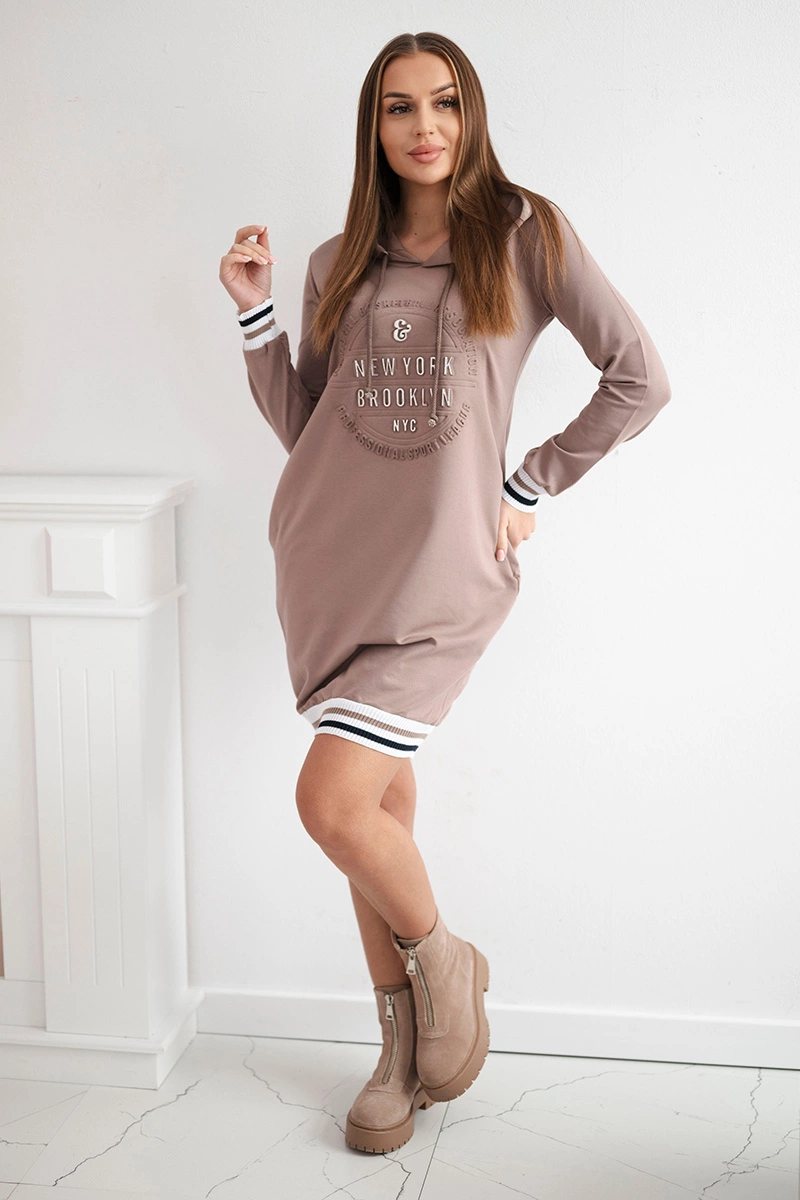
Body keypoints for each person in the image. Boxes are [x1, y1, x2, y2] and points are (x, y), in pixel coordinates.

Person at [218, 30, 671, 1156]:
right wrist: (255, 316)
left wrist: (531, 480)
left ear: (470, 116)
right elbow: (311, 428)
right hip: (330, 567)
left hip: (444, 579)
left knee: (329, 805)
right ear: (372, 127)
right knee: (373, 818)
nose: (424, 126)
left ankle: (447, 963)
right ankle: (398, 1049)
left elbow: (638, 376)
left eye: (445, 102)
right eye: (399, 107)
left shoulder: (525, 236)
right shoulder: (335, 260)